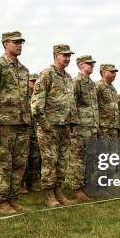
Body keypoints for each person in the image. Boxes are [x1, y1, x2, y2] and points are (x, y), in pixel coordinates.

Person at [0, 31, 32, 215]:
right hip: (4, 124)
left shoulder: (24, 70)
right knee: (3, 163)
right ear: (5, 44)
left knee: (19, 163)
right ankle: (2, 201)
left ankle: (13, 198)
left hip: (22, 123)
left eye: (21, 42)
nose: (19, 45)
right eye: (15, 42)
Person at [31, 44, 78, 207]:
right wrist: (44, 124)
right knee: (49, 161)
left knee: (62, 160)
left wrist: (73, 123)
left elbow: (71, 103)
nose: (67, 58)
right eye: (64, 55)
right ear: (55, 55)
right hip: (49, 127)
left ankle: (58, 190)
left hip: (64, 126)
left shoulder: (68, 77)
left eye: (69, 55)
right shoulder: (46, 74)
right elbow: (36, 103)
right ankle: (49, 194)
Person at [70, 55, 98, 203]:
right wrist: (73, 124)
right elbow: (71, 104)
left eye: (92, 63)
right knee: (78, 159)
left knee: (90, 159)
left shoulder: (92, 84)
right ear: (81, 65)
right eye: (89, 64)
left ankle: (87, 187)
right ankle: (77, 189)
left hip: (92, 127)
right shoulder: (76, 82)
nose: (92, 65)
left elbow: (94, 107)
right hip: (81, 127)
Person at [96, 64, 120, 138]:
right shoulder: (98, 86)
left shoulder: (113, 89)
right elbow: (93, 106)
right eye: (112, 72)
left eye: (115, 72)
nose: (114, 74)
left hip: (113, 128)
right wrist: (96, 126)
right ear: (103, 73)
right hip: (103, 127)